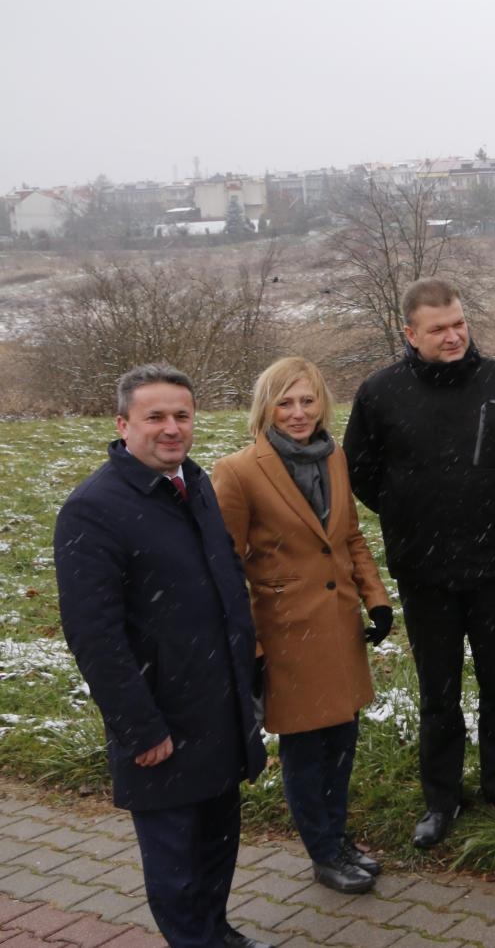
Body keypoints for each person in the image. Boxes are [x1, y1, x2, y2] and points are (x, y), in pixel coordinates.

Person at [343, 278, 495, 849]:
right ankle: (441, 799)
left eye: (459, 323)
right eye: (438, 328)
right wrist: (410, 508)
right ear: (410, 333)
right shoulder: (380, 393)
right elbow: (360, 472)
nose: (453, 336)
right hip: (424, 571)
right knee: (438, 692)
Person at [55, 364, 270, 948]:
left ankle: (216, 933)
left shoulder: (194, 485)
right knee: (177, 862)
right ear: (123, 425)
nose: (172, 428)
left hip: (218, 707)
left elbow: (225, 582)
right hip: (162, 719)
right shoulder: (93, 509)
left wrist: (248, 681)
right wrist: (139, 728)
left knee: (217, 843)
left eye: (182, 415)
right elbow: (94, 635)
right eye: (155, 417)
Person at [211, 357, 391, 894]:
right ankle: (323, 852)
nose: (297, 413)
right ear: (265, 407)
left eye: (307, 401)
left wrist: (376, 599)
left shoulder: (334, 455)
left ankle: (338, 838)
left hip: (339, 627)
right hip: (286, 633)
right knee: (307, 750)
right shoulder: (239, 471)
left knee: (343, 739)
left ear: (321, 404)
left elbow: (349, 536)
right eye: (285, 402)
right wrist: (252, 645)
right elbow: (224, 567)